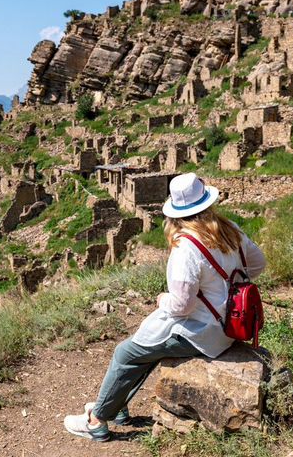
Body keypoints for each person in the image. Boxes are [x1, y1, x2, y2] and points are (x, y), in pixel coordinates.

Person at [64, 172, 267, 441]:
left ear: (175, 214)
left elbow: (182, 305)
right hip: (231, 326)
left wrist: (162, 300)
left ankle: (97, 420)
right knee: (144, 346)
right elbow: (257, 264)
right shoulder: (230, 230)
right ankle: (118, 407)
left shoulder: (187, 248)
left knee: (126, 352)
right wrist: (225, 288)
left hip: (204, 333)